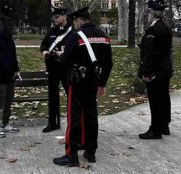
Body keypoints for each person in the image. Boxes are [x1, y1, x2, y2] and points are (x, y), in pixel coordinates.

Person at [53, 7, 113, 166]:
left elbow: (65, 59)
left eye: (75, 21)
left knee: (74, 117)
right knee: (92, 116)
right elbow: (108, 63)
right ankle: (91, 151)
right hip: (93, 81)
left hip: (78, 81)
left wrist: (61, 56)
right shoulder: (103, 36)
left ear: (79, 20)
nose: (75, 24)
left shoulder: (76, 36)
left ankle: (71, 155)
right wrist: (102, 83)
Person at [138, 0, 173, 139]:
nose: (147, 15)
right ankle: (164, 125)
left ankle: (155, 130)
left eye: (148, 12)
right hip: (165, 68)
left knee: (155, 100)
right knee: (164, 97)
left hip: (155, 70)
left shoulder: (153, 30)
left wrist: (146, 72)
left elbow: (150, 53)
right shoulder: (165, 27)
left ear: (151, 13)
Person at [40, 7, 73, 133]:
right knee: (52, 97)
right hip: (53, 68)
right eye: (54, 17)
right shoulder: (52, 30)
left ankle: (73, 123)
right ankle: (52, 123)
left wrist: (64, 53)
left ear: (64, 16)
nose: (55, 19)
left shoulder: (72, 31)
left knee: (70, 96)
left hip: (66, 68)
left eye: (57, 16)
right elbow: (44, 44)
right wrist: (44, 51)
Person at [0, 17, 20, 138]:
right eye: (9, 25)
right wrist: (10, 70)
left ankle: (5, 123)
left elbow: (13, 56)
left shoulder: (10, 40)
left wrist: (16, 69)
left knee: (8, 101)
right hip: (1, 76)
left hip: (11, 77)